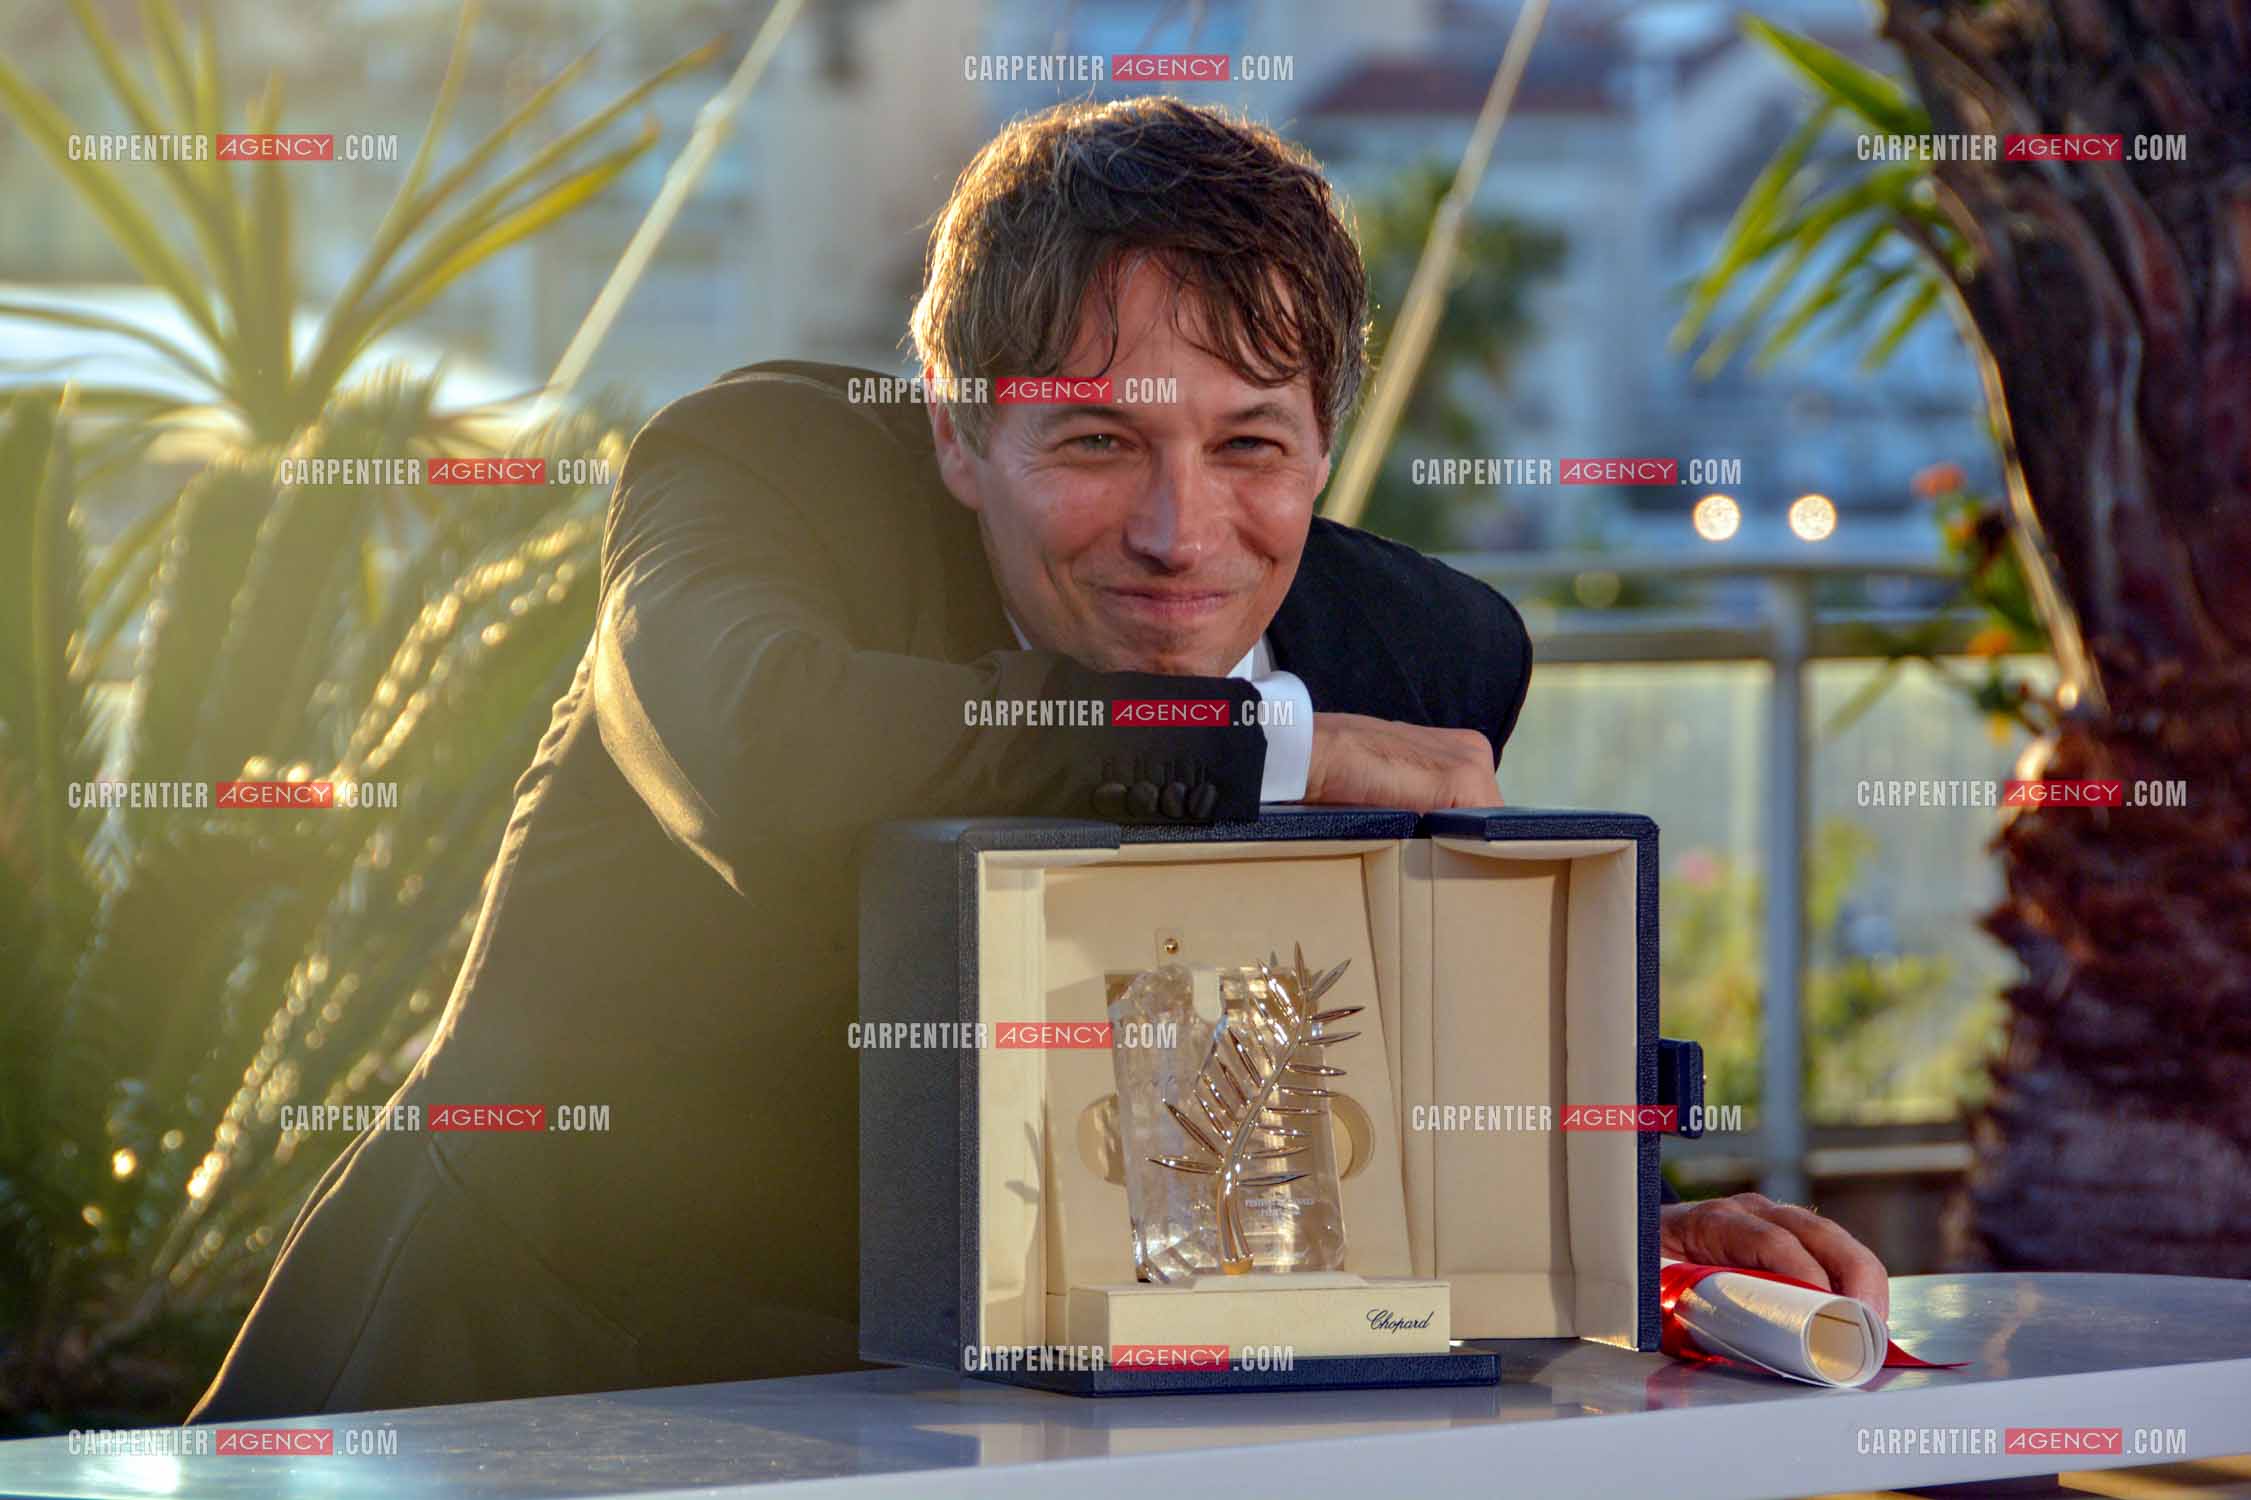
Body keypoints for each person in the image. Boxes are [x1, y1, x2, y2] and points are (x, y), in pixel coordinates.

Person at [188, 96, 1884, 1423]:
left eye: (1251, 446)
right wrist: (1271, 747)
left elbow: (1355, 1082)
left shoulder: (1435, 657)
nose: (1179, 533)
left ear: (1326, 444)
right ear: (954, 428)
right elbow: (762, 750)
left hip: (1057, 1421)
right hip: (544, 1381)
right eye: (1094, 440)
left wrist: (1603, 1229)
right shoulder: (766, 474)